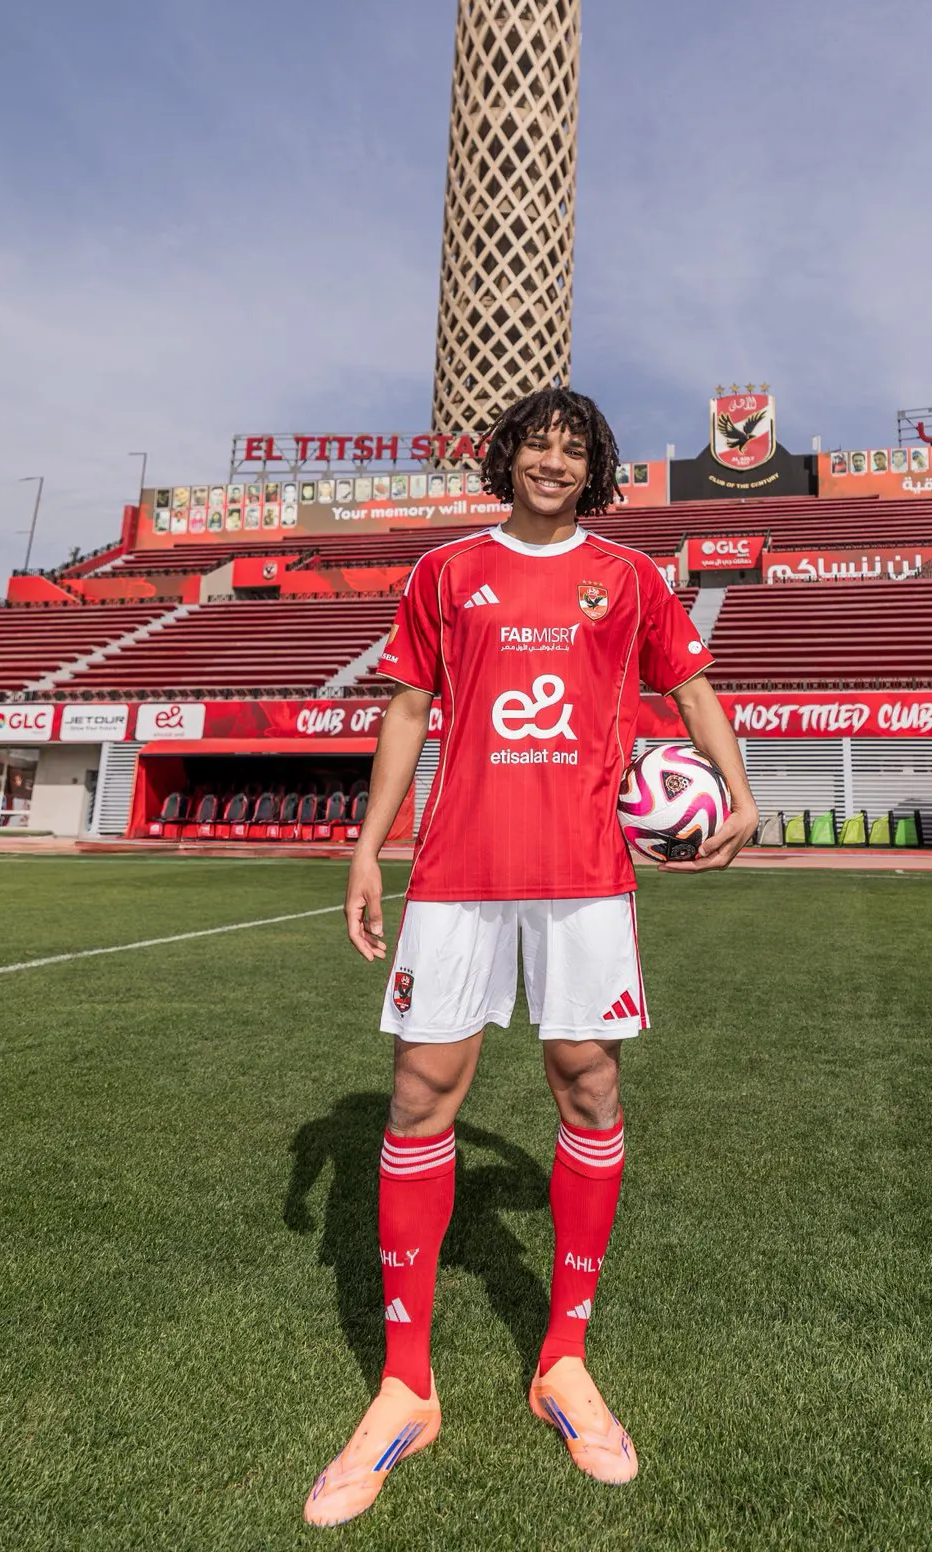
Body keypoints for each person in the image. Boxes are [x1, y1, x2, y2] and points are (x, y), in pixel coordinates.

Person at [303, 387, 759, 1527]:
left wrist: (741, 792)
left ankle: (563, 1359)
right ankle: (406, 1386)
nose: (553, 461)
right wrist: (367, 848)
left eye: (573, 448)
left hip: (586, 874)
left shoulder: (631, 576)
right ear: (506, 457)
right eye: (537, 444)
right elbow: (406, 711)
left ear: (593, 468)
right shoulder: (447, 572)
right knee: (420, 1095)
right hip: (456, 870)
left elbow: (693, 686)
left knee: (588, 1085)